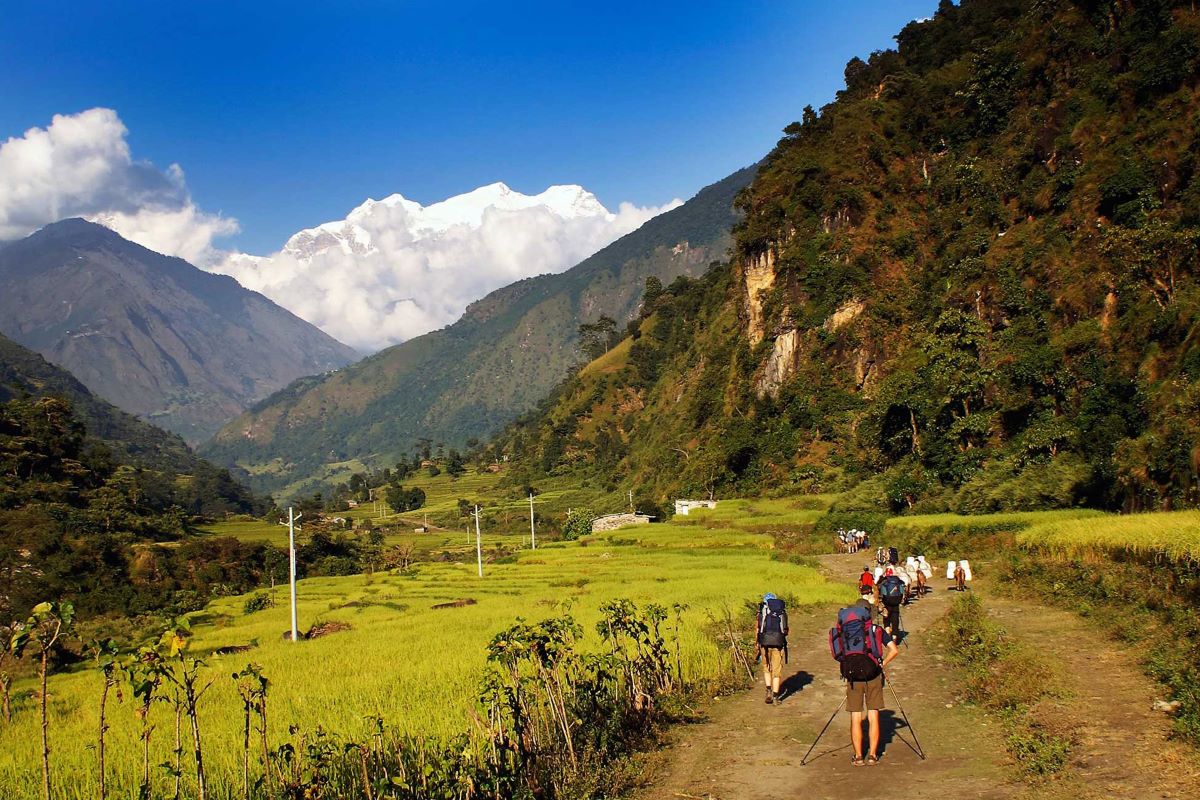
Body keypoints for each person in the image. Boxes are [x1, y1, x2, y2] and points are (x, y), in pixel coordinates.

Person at [756, 592, 789, 704]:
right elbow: (785, 630)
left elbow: (758, 629)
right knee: (776, 671)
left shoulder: (762, 611)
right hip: (778, 643)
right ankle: (775, 697)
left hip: (764, 642)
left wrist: (758, 643)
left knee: (766, 668)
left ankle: (768, 691)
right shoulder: (781, 611)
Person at [878, 568, 905, 638]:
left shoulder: (884, 581)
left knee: (886, 618)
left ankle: (887, 632)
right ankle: (894, 636)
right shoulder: (898, 581)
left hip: (887, 604)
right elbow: (902, 592)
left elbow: (881, 593)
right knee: (895, 619)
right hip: (896, 603)